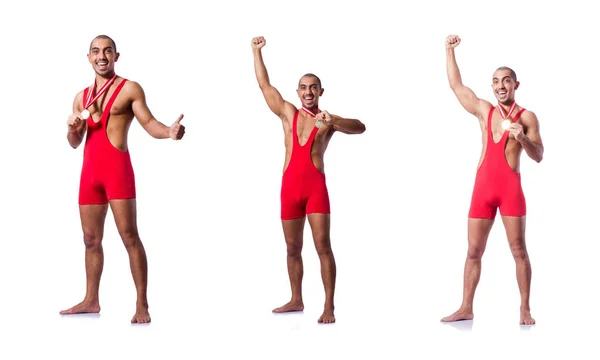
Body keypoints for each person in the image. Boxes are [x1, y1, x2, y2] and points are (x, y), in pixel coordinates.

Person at [60, 34, 185, 324]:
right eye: (95, 51)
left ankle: (142, 305)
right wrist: (71, 128)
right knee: (90, 239)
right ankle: (91, 300)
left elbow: (149, 123)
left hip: (117, 171)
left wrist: (169, 131)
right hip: (89, 174)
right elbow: (75, 142)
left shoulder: (129, 89)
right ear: (88, 57)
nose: (101, 56)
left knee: (129, 236)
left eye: (107, 51)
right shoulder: (81, 97)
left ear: (116, 56)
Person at [251, 36, 366, 324]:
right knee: (292, 248)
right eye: (303, 87)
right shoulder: (288, 113)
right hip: (289, 189)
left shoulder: (328, 119)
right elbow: (265, 86)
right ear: (298, 92)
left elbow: (361, 127)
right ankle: (296, 299)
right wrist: (256, 52)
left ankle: (329, 306)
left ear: (321, 91)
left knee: (322, 246)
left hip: (315, 189)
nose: (308, 91)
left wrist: (333, 122)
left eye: (313, 87)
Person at [441, 35, 543, 325]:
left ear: (516, 85)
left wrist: (522, 137)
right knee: (473, 250)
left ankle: (525, 309)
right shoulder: (484, 110)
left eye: (506, 80)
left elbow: (539, 156)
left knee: (519, 250)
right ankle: (465, 307)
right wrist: (449, 51)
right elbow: (456, 86)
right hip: (483, 189)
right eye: (496, 81)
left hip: (510, 189)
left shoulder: (528, 117)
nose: (501, 86)